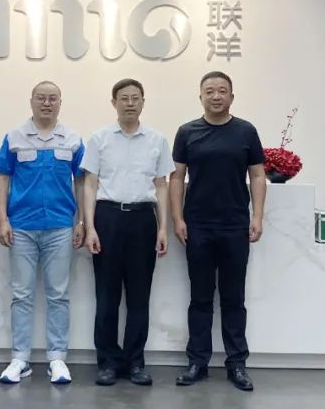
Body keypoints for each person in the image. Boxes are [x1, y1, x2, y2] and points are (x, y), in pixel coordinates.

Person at [170, 71, 266, 391]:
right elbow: (176, 178)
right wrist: (177, 218)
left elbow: (257, 175)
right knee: (199, 297)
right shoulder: (187, 132)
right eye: (209, 91)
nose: (216, 96)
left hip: (235, 225)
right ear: (200, 96)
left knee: (233, 297)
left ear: (232, 97)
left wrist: (257, 216)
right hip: (197, 225)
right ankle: (197, 362)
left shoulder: (246, 131)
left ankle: (236, 364)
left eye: (222, 91)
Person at [0, 81, 85, 385]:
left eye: (52, 98)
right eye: (41, 98)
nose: (47, 103)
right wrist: (2, 220)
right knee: (21, 295)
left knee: (58, 295)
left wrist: (82, 221)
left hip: (60, 226)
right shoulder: (14, 137)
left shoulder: (72, 139)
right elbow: (2, 178)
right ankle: (20, 358)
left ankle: (57, 358)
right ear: (31, 101)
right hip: (21, 227)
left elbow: (82, 182)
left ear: (60, 102)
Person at [82, 78, 174, 386]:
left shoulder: (157, 140)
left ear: (143, 102)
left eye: (136, 98)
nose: (130, 103)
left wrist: (163, 227)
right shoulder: (99, 139)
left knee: (139, 297)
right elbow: (90, 184)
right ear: (114, 103)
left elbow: (161, 185)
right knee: (106, 296)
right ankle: (108, 362)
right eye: (124, 98)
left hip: (143, 220)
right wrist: (90, 227)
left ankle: (135, 362)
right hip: (107, 218)